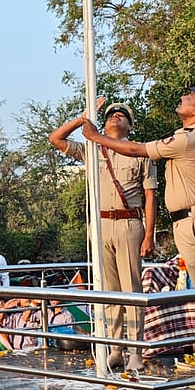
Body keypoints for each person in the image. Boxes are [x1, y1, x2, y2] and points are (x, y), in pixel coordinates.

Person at [82, 76, 195, 389]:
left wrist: (96, 137)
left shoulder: (193, 137)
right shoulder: (190, 134)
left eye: (190, 95)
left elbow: (137, 150)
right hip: (189, 222)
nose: (183, 96)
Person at [50, 98, 159, 371]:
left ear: (130, 125)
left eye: (122, 115)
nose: (115, 117)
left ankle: (136, 350)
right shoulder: (92, 148)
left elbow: (150, 196)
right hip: (100, 225)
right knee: (108, 291)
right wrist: (83, 118)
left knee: (131, 290)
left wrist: (149, 235)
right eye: (111, 114)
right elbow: (56, 138)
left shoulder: (139, 152)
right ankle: (116, 348)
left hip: (129, 223)